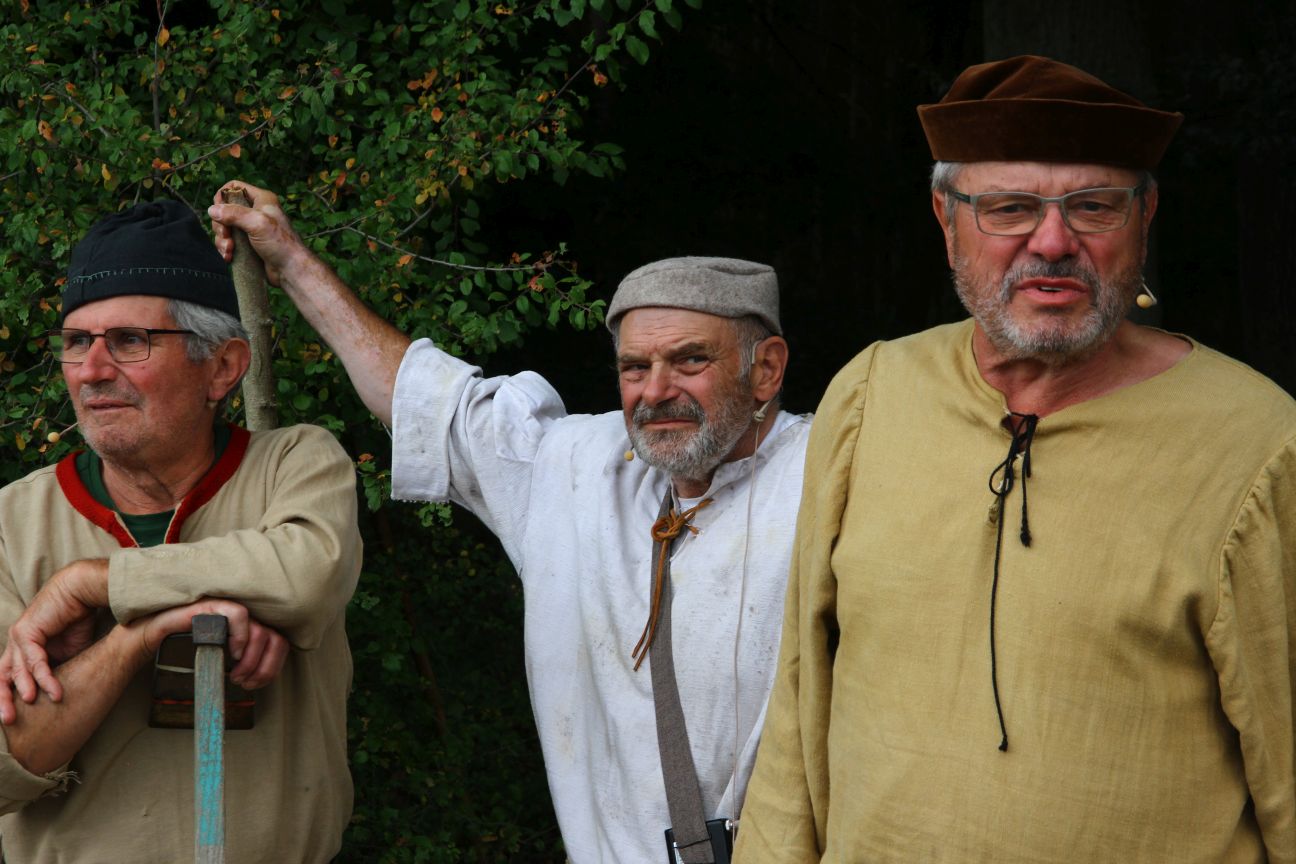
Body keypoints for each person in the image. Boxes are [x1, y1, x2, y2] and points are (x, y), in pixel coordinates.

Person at [736, 54, 1296, 863]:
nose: (1053, 242)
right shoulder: (871, 395)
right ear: (946, 218)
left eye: (1094, 206)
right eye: (1009, 208)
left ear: (1145, 215)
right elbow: (800, 697)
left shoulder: (1256, 443)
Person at [207, 185, 812, 863]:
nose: (656, 390)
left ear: (766, 369)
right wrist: (291, 262)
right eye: (635, 367)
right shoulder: (581, 469)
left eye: (690, 360)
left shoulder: (830, 476)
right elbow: (426, 400)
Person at [0, 200, 362, 863]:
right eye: (76, 342)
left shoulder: (293, 467)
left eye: (128, 341)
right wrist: (143, 635)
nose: (91, 370)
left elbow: (306, 574)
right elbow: (8, 758)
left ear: (222, 367)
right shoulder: (11, 523)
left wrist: (94, 583)